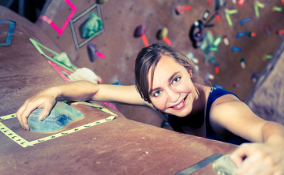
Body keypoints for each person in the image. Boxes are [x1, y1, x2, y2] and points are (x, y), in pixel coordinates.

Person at [16, 43, 284, 174]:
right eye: (157, 92)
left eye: (176, 79)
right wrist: (53, 91)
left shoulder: (220, 110)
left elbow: (267, 129)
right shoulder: (159, 97)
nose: (172, 97)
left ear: (188, 72)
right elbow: (96, 89)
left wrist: (276, 150)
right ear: (148, 95)